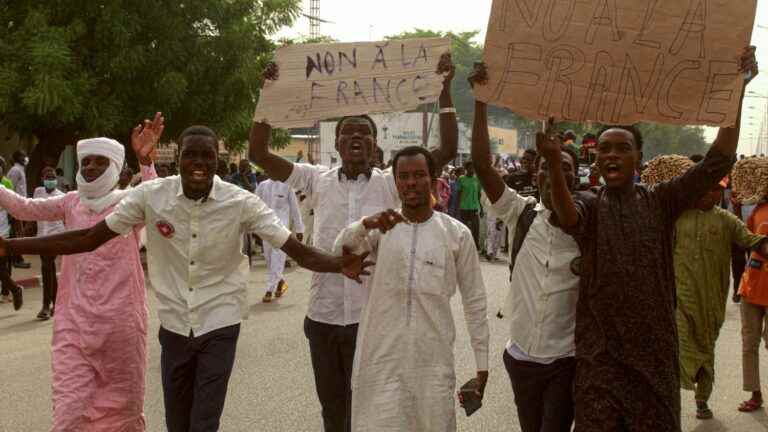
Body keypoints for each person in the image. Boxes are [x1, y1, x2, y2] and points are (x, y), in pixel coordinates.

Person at [0, 124, 372, 432]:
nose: (198, 163)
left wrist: (339, 264)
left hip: (219, 324)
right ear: (177, 159)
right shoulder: (151, 196)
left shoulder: (241, 202)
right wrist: (11, 246)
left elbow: (294, 248)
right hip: (175, 326)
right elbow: (87, 238)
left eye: (206, 156)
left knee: (203, 423)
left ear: (217, 161)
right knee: (178, 424)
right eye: (190, 155)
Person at [539, 46, 757, 431]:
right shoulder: (588, 204)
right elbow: (565, 215)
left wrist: (736, 91)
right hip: (599, 358)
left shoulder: (661, 201)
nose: (612, 155)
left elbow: (718, 161)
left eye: (623, 148)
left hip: (653, 357)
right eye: (604, 148)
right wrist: (555, 163)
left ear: (639, 157)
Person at [249, 54, 458, 432]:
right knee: (333, 411)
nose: (356, 138)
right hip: (323, 317)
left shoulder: (389, 183)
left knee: (372, 411)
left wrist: (445, 92)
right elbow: (258, 154)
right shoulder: (315, 179)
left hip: (373, 319)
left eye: (365, 133)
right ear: (337, 142)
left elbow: (443, 152)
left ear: (376, 144)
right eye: (348, 133)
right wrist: (267, 94)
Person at [0, 114, 163, 430]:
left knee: (125, 414)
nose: (90, 168)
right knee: (69, 414)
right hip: (73, 325)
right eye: (86, 162)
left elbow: (157, 199)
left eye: (99, 162)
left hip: (122, 326)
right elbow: (22, 207)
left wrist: (145, 160)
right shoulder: (70, 202)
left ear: (115, 168)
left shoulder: (130, 203)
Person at [333, 146, 489, 432]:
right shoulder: (381, 228)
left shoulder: (457, 234)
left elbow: (475, 302)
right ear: (395, 182)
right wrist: (365, 223)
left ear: (433, 178)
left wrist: (482, 362)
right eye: (403, 176)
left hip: (432, 363)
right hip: (380, 360)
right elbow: (340, 248)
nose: (411, 183)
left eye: (419, 175)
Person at [469, 62, 581, 432]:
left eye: (564, 168)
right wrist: (481, 100)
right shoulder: (522, 214)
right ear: (536, 175)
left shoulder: (589, 223)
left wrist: (552, 153)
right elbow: (484, 167)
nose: (555, 174)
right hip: (521, 359)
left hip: (567, 360)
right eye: (548, 167)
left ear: (576, 178)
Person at [671, 177, 767, 419]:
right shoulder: (677, 219)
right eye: (708, 188)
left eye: (717, 190)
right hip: (682, 296)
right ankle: (669, 400)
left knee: (706, 346)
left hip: (713, 299)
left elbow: (751, 239)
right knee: (680, 344)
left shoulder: (726, 220)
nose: (713, 195)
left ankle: (702, 399)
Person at [256, 178, 304, 303]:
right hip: (265, 228)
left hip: (281, 230)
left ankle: (269, 289)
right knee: (269, 259)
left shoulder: (287, 186)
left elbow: (295, 209)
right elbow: (255, 206)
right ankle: (280, 282)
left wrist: (299, 229)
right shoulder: (262, 186)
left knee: (277, 258)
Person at [32, 166, 67, 321]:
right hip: (41, 235)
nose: (51, 180)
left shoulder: (62, 196)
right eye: (48, 178)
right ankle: (57, 304)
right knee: (49, 268)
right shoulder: (37, 192)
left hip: (56, 235)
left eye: (53, 178)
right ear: (42, 179)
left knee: (47, 265)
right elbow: (33, 210)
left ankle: (46, 306)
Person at [0, 156, 22, 309]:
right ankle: (13, 288)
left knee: (2, 265)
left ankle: (12, 289)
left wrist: (16, 227)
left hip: (2, 231)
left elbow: (13, 207)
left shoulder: (5, 185)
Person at [7, 149, 31, 269]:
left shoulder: (20, 170)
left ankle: (14, 258)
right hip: (15, 206)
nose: (25, 158)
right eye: (23, 156)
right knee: (17, 233)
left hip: (20, 206)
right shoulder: (15, 170)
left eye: (25, 155)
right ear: (17, 158)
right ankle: (17, 259)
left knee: (16, 233)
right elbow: (10, 189)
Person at [456, 161, 481, 249]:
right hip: (464, 207)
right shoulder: (461, 179)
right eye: (470, 167)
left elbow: (479, 194)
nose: (472, 169)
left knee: (476, 228)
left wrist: (480, 207)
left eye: (473, 168)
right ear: (466, 168)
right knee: (464, 229)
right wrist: (457, 207)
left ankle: (475, 246)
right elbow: (458, 193)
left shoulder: (477, 179)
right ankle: (464, 247)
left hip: (474, 207)